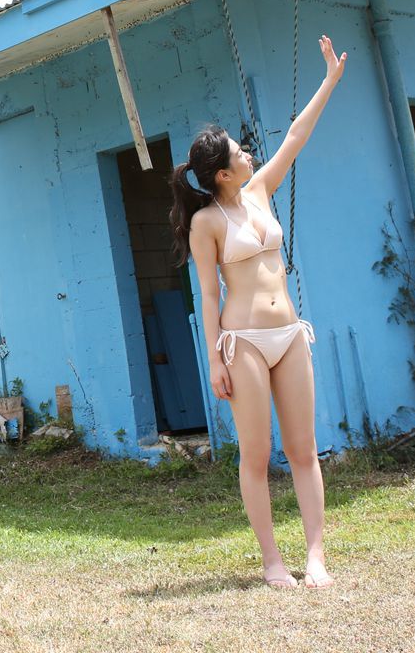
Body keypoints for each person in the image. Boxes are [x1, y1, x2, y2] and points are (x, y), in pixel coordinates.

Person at [169, 34, 347, 589]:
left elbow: (297, 134)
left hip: (291, 334)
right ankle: (272, 562)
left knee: (302, 448)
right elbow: (208, 296)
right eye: (239, 153)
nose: (250, 153)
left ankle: (315, 556)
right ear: (222, 173)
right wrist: (215, 361)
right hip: (242, 342)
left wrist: (330, 81)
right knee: (258, 453)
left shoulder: (262, 190)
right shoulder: (207, 223)